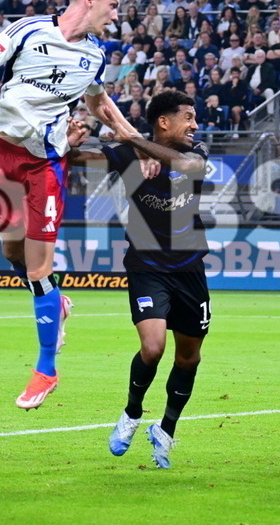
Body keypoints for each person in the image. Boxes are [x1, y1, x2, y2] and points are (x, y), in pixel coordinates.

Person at [0, 0, 131, 410]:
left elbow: (99, 102)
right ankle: (55, 302)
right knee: (11, 254)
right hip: (2, 152)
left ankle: (46, 369)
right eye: (113, 6)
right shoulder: (28, 31)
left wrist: (135, 138)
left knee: (39, 267)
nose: (116, 16)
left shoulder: (95, 57)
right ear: (89, 0)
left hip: (47, 163)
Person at [67, 90, 209, 469]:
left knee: (189, 356)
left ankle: (166, 429)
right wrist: (66, 143)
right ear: (164, 122)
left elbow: (182, 164)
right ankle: (131, 414)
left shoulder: (196, 153)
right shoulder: (128, 155)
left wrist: (130, 138)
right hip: (147, 266)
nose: (195, 125)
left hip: (191, 269)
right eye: (188, 117)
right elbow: (78, 159)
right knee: (153, 348)